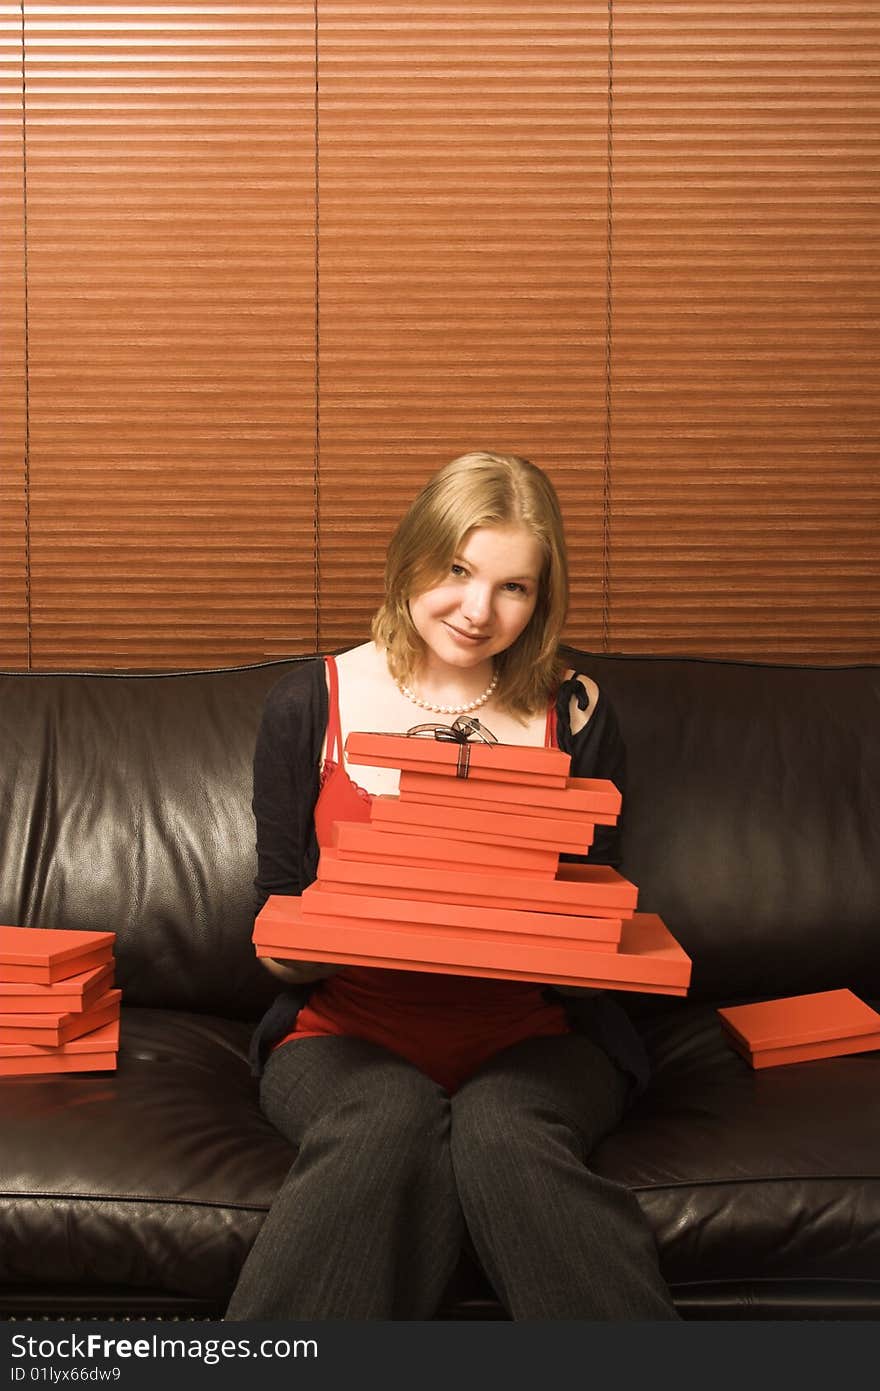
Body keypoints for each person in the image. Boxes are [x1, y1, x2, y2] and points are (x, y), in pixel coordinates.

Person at [225, 451, 678, 1321]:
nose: (478, 610)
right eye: (458, 569)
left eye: (515, 587)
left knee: (501, 1130)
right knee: (386, 1118)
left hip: (538, 1037)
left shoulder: (576, 708)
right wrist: (305, 938)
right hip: (343, 1034)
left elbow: (592, 905)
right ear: (411, 558)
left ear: (542, 598)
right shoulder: (310, 702)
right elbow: (273, 916)